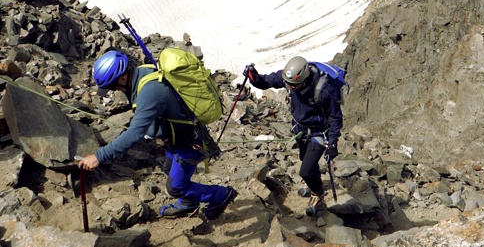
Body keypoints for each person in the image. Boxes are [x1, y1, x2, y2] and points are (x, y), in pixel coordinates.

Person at [78, 50, 237, 220]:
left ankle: (221, 195)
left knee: (175, 188)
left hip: (188, 142)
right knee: (168, 168)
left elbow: (135, 133)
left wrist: (99, 156)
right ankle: (189, 202)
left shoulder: (150, 91)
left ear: (123, 78)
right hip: (175, 139)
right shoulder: (142, 72)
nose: (113, 91)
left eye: (113, 86)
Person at [243, 56, 343, 216]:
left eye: (294, 85)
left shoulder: (324, 89)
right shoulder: (289, 80)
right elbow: (266, 82)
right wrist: (253, 77)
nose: (289, 87)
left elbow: (335, 117)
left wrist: (332, 143)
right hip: (300, 129)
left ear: (304, 79)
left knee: (306, 170)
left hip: (318, 132)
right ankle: (313, 184)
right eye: (288, 84)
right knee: (306, 159)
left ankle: (318, 193)